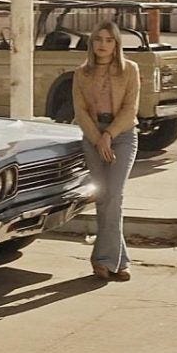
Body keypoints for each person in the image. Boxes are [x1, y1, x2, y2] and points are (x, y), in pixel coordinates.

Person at [71, 21, 139, 282]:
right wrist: (98, 137)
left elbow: (131, 108)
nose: (103, 44)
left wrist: (109, 135)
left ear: (117, 43)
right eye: (98, 39)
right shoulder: (81, 73)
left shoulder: (129, 69)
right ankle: (117, 262)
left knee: (115, 195)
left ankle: (102, 259)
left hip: (122, 135)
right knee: (103, 198)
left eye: (109, 40)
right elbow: (80, 111)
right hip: (92, 135)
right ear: (92, 43)